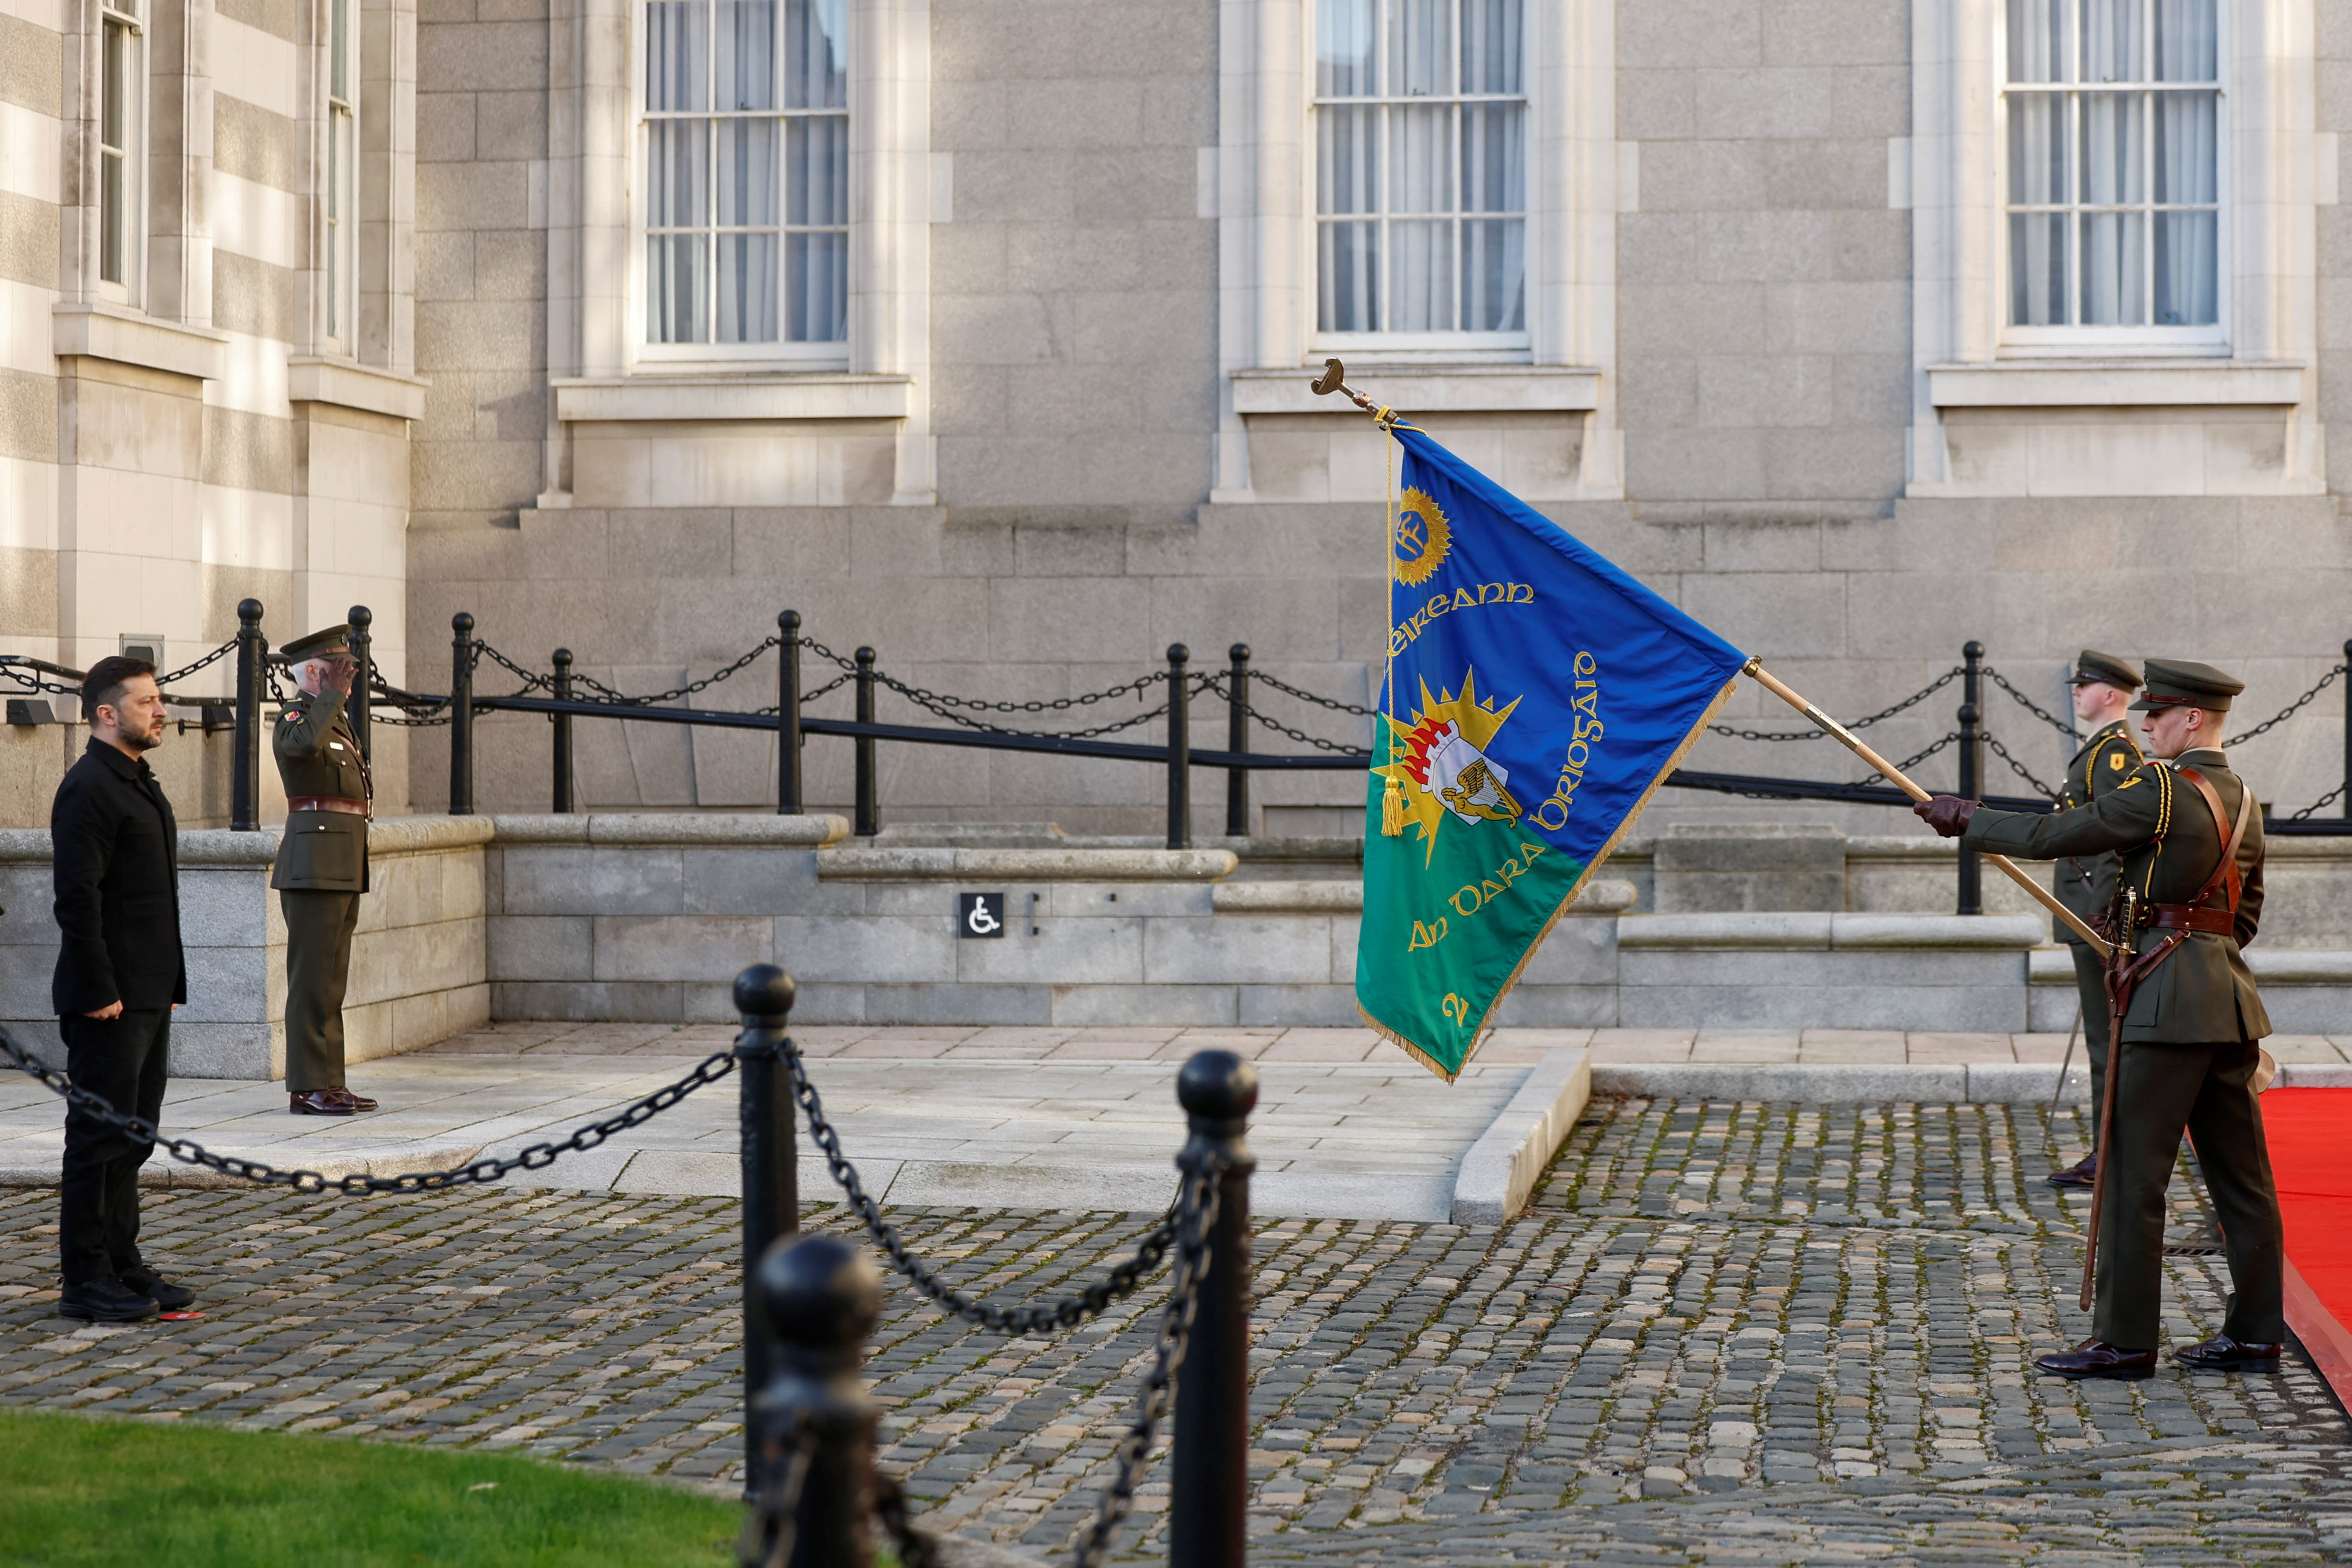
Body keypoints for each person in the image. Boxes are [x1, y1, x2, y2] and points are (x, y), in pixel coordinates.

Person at [1914, 659, 2281, 1379]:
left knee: (2128, 1174)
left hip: (2162, 1002)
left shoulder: (2163, 790)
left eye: (2157, 715)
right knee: (2241, 1180)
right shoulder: (2242, 799)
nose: (2143, 726)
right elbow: (2244, 915)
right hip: (2227, 999)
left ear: (2192, 720)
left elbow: (2063, 833)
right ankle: (2254, 1333)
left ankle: (2125, 1341)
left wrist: (1965, 820)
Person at [51, 656, 195, 1323]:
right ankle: (85, 1280)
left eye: (159, 699)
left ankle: (123, 1266)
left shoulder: (137, 781)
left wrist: (170, 984)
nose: (161, 710)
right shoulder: (89, 788)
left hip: (146, 990)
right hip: (108, 997)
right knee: (98, 1138)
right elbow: (76, 899)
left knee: (134, 1136)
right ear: (107, 713)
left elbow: (153, 895)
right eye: (148, 702)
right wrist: (99, 988)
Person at [2046, 651, 2147, 1189]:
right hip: (2085, 913)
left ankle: (2108, 1155)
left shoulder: (2111, 756)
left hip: (2094, 918)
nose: (2075, 693)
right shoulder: (2096, 752)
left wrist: (2101, 919)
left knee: (2103, 1041)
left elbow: (2114, 840)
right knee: (2101, 1037)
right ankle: (2108, 1150)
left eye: (2084, 686)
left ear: (2109, 694)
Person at [273, 626, 379, 1116]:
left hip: (340, 865)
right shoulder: (297, 717)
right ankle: (307, 1086)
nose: (348, 680)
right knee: (312, 982)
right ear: (314, 672)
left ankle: (330, 1082)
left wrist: (335, 699)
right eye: (338, 670)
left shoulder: (335, 721)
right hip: (313, 867)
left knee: (331, 983)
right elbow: (300, 750)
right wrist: (330, 695)